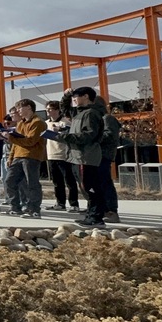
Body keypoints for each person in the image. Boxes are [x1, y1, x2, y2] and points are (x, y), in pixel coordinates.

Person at [58, 86, 107, 227]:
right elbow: (64, 109)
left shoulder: (91, 114)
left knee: (91, 187)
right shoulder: (78, 113)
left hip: (86, 156)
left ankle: (97, 218)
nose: (74, 99)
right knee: (85, 188)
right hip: (77, 156)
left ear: (86, 96)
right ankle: (91, 215)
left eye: (76, 96)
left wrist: (65, 137)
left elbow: (88, 135)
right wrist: (66, 96)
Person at [1, 99, 46, 218]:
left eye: (20, 108)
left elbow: (31, 141)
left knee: (32, 183)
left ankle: (34, 209)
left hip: (31, 156)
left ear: (29, 107)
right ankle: (15, 208)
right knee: (9, 181)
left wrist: (11, 138)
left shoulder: (38, 122)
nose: (18, 111)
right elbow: (16, 144)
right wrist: (10, 157)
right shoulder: (20, 123)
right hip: (17, 156)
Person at [44, 100, 81, 213]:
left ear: (57, 110)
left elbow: (71, 135)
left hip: (64, 155)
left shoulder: (66, 122)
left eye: (50, 109)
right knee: (56, 181)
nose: (48, 111)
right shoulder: (46, 123)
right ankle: (60, 203)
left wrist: (60, 130)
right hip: (51, 155)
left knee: (69, 181)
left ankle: (74, 204)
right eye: (47, 109)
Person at [96, 96, 122, 223]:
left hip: (104, 156)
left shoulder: (107, 119)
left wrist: (92, 136)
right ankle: (101, 208)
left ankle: (111, 210)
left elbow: (110, 136)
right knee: (97, 184)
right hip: (95, 156)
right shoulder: (98, 119)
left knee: (105, 183)